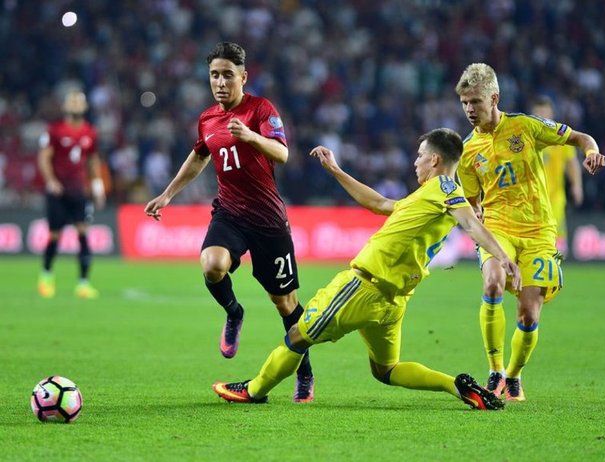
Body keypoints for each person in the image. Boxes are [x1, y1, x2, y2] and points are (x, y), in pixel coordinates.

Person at [213, 128, 521, 410]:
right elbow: (380, 204)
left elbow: (471, 223)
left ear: (435, 160)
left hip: (364, 287)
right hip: (393, 301)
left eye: (420, 156)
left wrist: (502, 257)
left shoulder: (444, 187)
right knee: (386, 370)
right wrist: (336, 171)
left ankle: (253, 390)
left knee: (296, 336)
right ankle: (456, 386)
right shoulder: (428, 197)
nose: (415, 162)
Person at [143, 42, 314, 403]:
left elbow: (283, 153)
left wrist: (251, 136)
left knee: (285, 304)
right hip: (230, 214)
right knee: (212, 265)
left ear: (243, 77)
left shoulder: (261, 109)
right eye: (214, 75)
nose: (220, 82)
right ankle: (234, 312)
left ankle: (304, 371)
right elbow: (198, 157)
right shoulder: (207, 119)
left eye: (227, 75)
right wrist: (167, 194)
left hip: (268, 221)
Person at [455, 63, 605, 401]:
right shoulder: (467, 152)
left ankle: (514, 375)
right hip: (498, 228)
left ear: (494, 98)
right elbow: (472, 201)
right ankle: (495, 370)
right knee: (492, 282)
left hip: (538, 230)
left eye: (475, 101)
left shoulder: (525, 126)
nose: (469, 109)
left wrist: (592, 152)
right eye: (464, 103)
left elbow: (580, 138)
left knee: (528, 313)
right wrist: (473, 211)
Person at [37, 90, 106, 299]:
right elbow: (44, 157)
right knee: (54, 235)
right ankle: (46, 277)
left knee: (83, 233)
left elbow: (92, 160)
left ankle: (83, 284)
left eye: (79, 102)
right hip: (58, 191)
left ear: (84, 107)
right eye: (72, 101)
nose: (76, 105)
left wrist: (97, 186)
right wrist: (51, 181)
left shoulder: (90, 132)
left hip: (78, 191)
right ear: (66, 106)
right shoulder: (55, 130)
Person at [531, 95, 583, 255]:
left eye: (545, 112)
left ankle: (555, 262)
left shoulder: (561, 136)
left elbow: (572, 162)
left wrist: (576, 185)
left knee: (554, 233)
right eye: (538, 113)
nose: (542, 116)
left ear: (552, 114)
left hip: (554, 197)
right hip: (531, 197)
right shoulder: (526, 136)